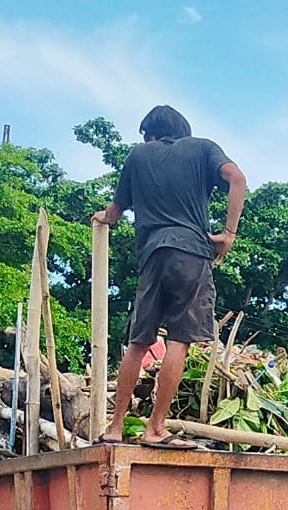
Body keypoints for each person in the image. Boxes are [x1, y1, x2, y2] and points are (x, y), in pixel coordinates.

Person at [92, 105, 246, 449]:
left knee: (139, 340)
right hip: (191, 253)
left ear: (152, 133)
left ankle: (114, 428)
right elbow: (237, 178)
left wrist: (101, 217)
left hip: (152, 256)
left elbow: (114, 213)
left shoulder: (137, 156)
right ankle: (155, 428)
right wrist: (228, 233)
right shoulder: (203, 148)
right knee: (178, 339)